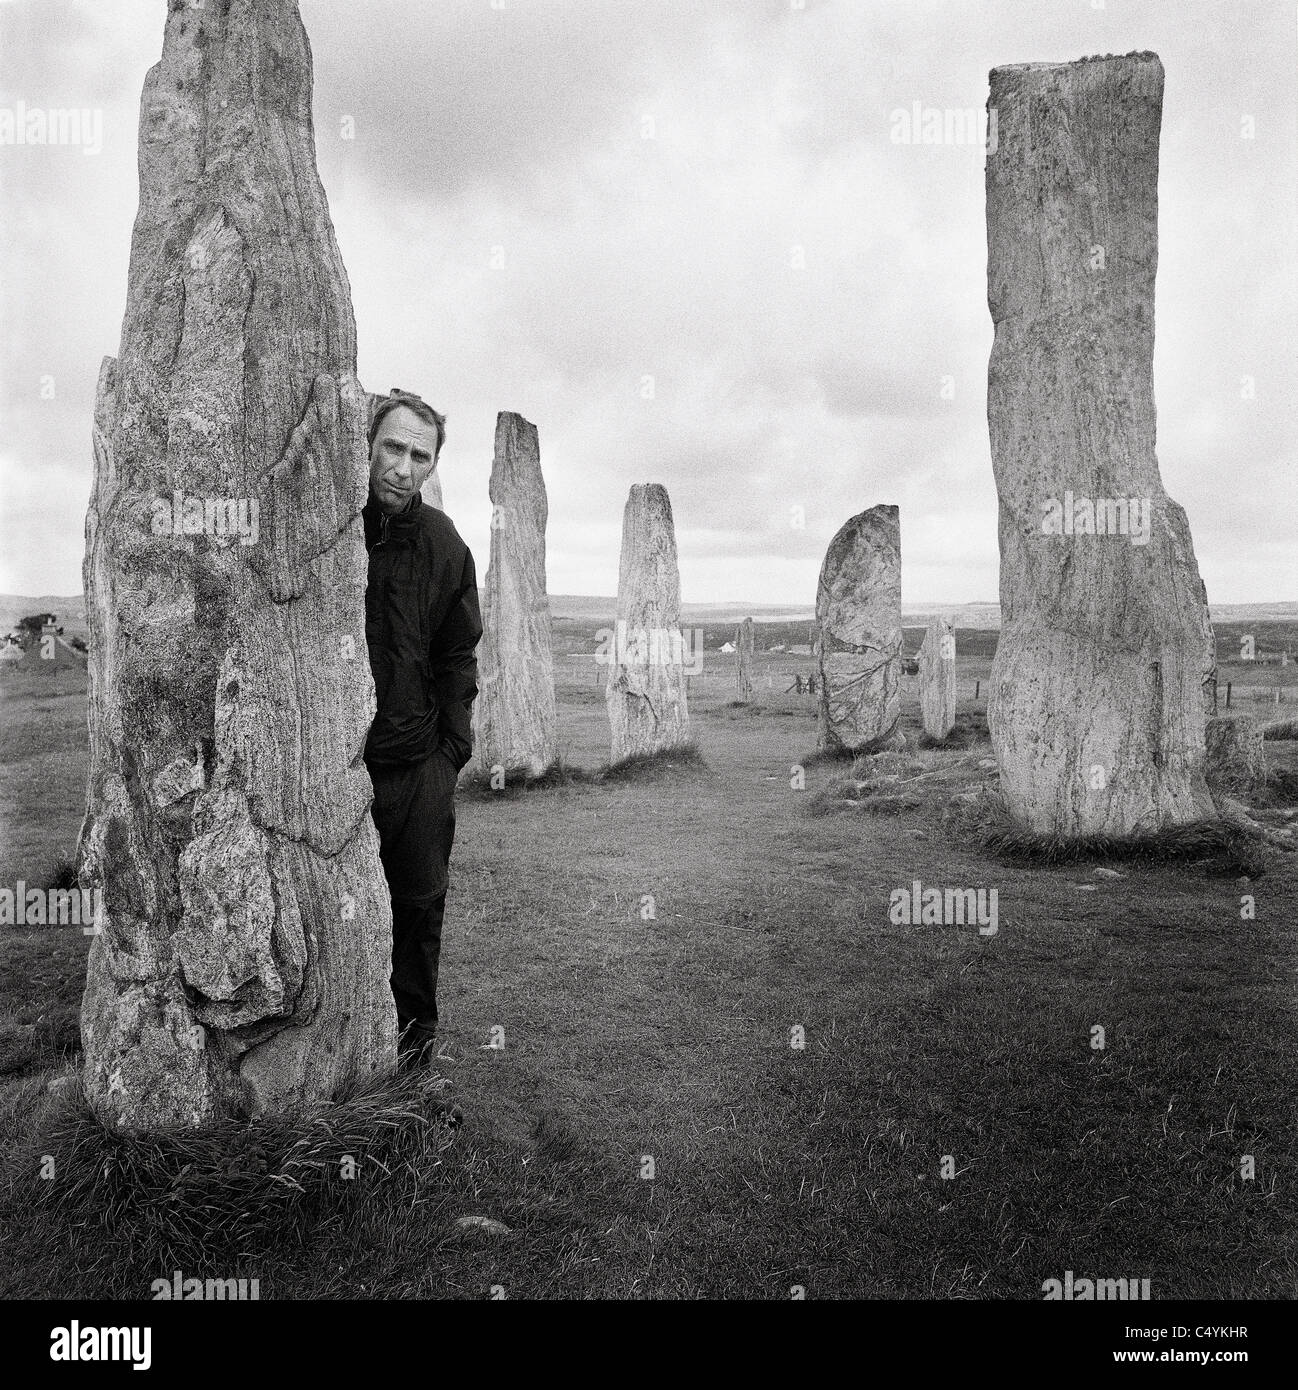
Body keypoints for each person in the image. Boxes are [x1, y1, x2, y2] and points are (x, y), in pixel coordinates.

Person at [362, 388, 482, 1070]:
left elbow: (457, 651)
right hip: (338, 771)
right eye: (393, 448)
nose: (403, 468)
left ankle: (408, 1082)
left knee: (416, 921)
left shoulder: (444, 544)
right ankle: (335, 1075)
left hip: (417, 772)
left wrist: (451, 752)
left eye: (419, 456)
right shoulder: (331, 533)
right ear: (369, 446)